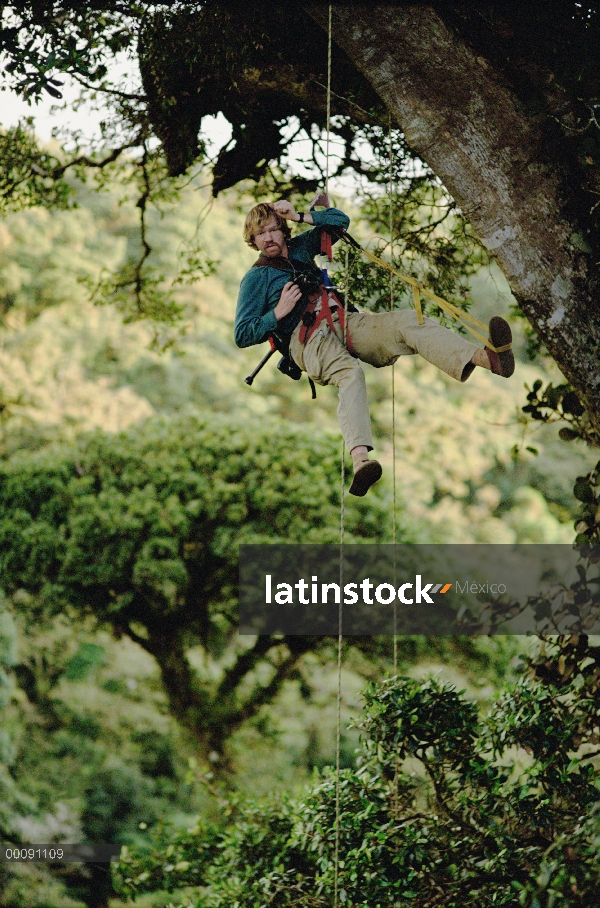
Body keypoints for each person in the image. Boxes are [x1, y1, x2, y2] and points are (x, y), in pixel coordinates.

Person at [235, 200, 514, 497]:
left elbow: (340, 223)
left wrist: (302, 215)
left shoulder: (302, 247)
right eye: (260, 234)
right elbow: (242, 333)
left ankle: (486, 359)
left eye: (273, 230)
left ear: (283, 230)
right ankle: (360, 462)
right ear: (252, 241)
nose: (268, 238)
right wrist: (277, 312)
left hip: (342, 320)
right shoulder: (256, 278)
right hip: (307, 341)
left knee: (407, 322)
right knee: (350, 374)